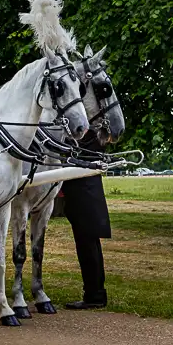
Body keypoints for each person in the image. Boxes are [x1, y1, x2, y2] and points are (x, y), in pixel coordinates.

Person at [61, 129, 111, 309]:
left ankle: (94, 296)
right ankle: (95, 294)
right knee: (90, 245)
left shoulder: (88, 139)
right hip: (87, 195)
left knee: (87, 246)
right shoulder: (95, 138)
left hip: (84, 196)